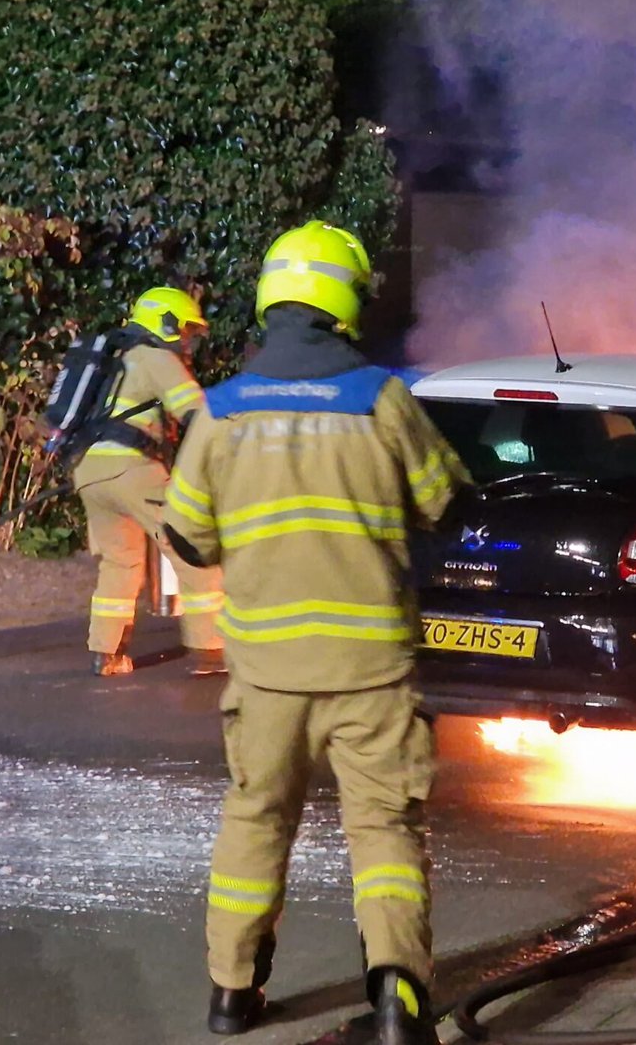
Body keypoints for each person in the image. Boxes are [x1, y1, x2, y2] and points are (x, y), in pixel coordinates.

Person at [163, 221, 470, 1041]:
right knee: (384, 832)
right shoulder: (382, 400)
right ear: (343, 299)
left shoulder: (221, 413)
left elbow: (188, 537)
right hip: (372, 672)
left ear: (270, 298)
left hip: (267, 677)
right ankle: (399, 1003)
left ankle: (231, 996)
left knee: (256, 822)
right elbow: (445, 502)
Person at [74, 287, 225, 677]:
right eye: (187, 330)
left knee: (120, 562)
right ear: (168, 323)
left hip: (90, 471)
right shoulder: (157, 358)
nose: (189, 340)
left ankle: (106, 653)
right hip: (133, 470)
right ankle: (211, 649)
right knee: (193, 548)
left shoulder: (115, 358)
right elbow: (198, 416)